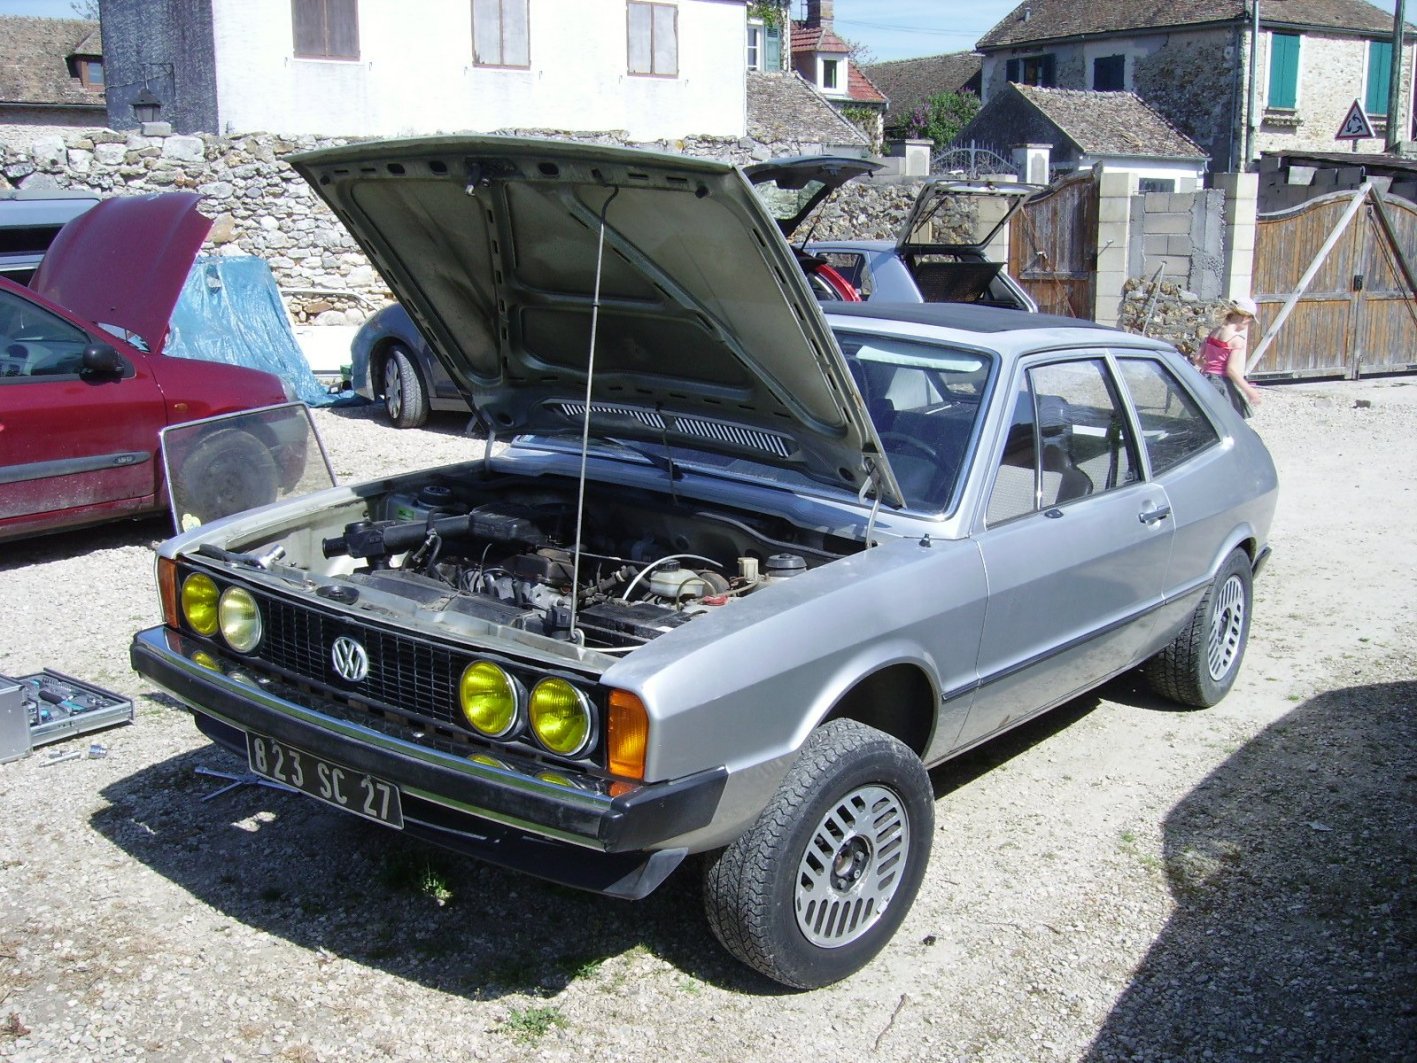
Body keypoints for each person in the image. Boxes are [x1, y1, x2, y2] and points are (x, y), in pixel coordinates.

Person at [1199, 297, 1263, 418]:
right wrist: (1249, 390)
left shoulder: (1214, 332)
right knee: (1229, 419)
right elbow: (1231, 370)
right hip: (1222, 384)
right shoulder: (1236, 340)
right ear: (1245, 318)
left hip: (1205, 378)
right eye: (1250, 320)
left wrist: (1209, 371)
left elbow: (1197, 358)